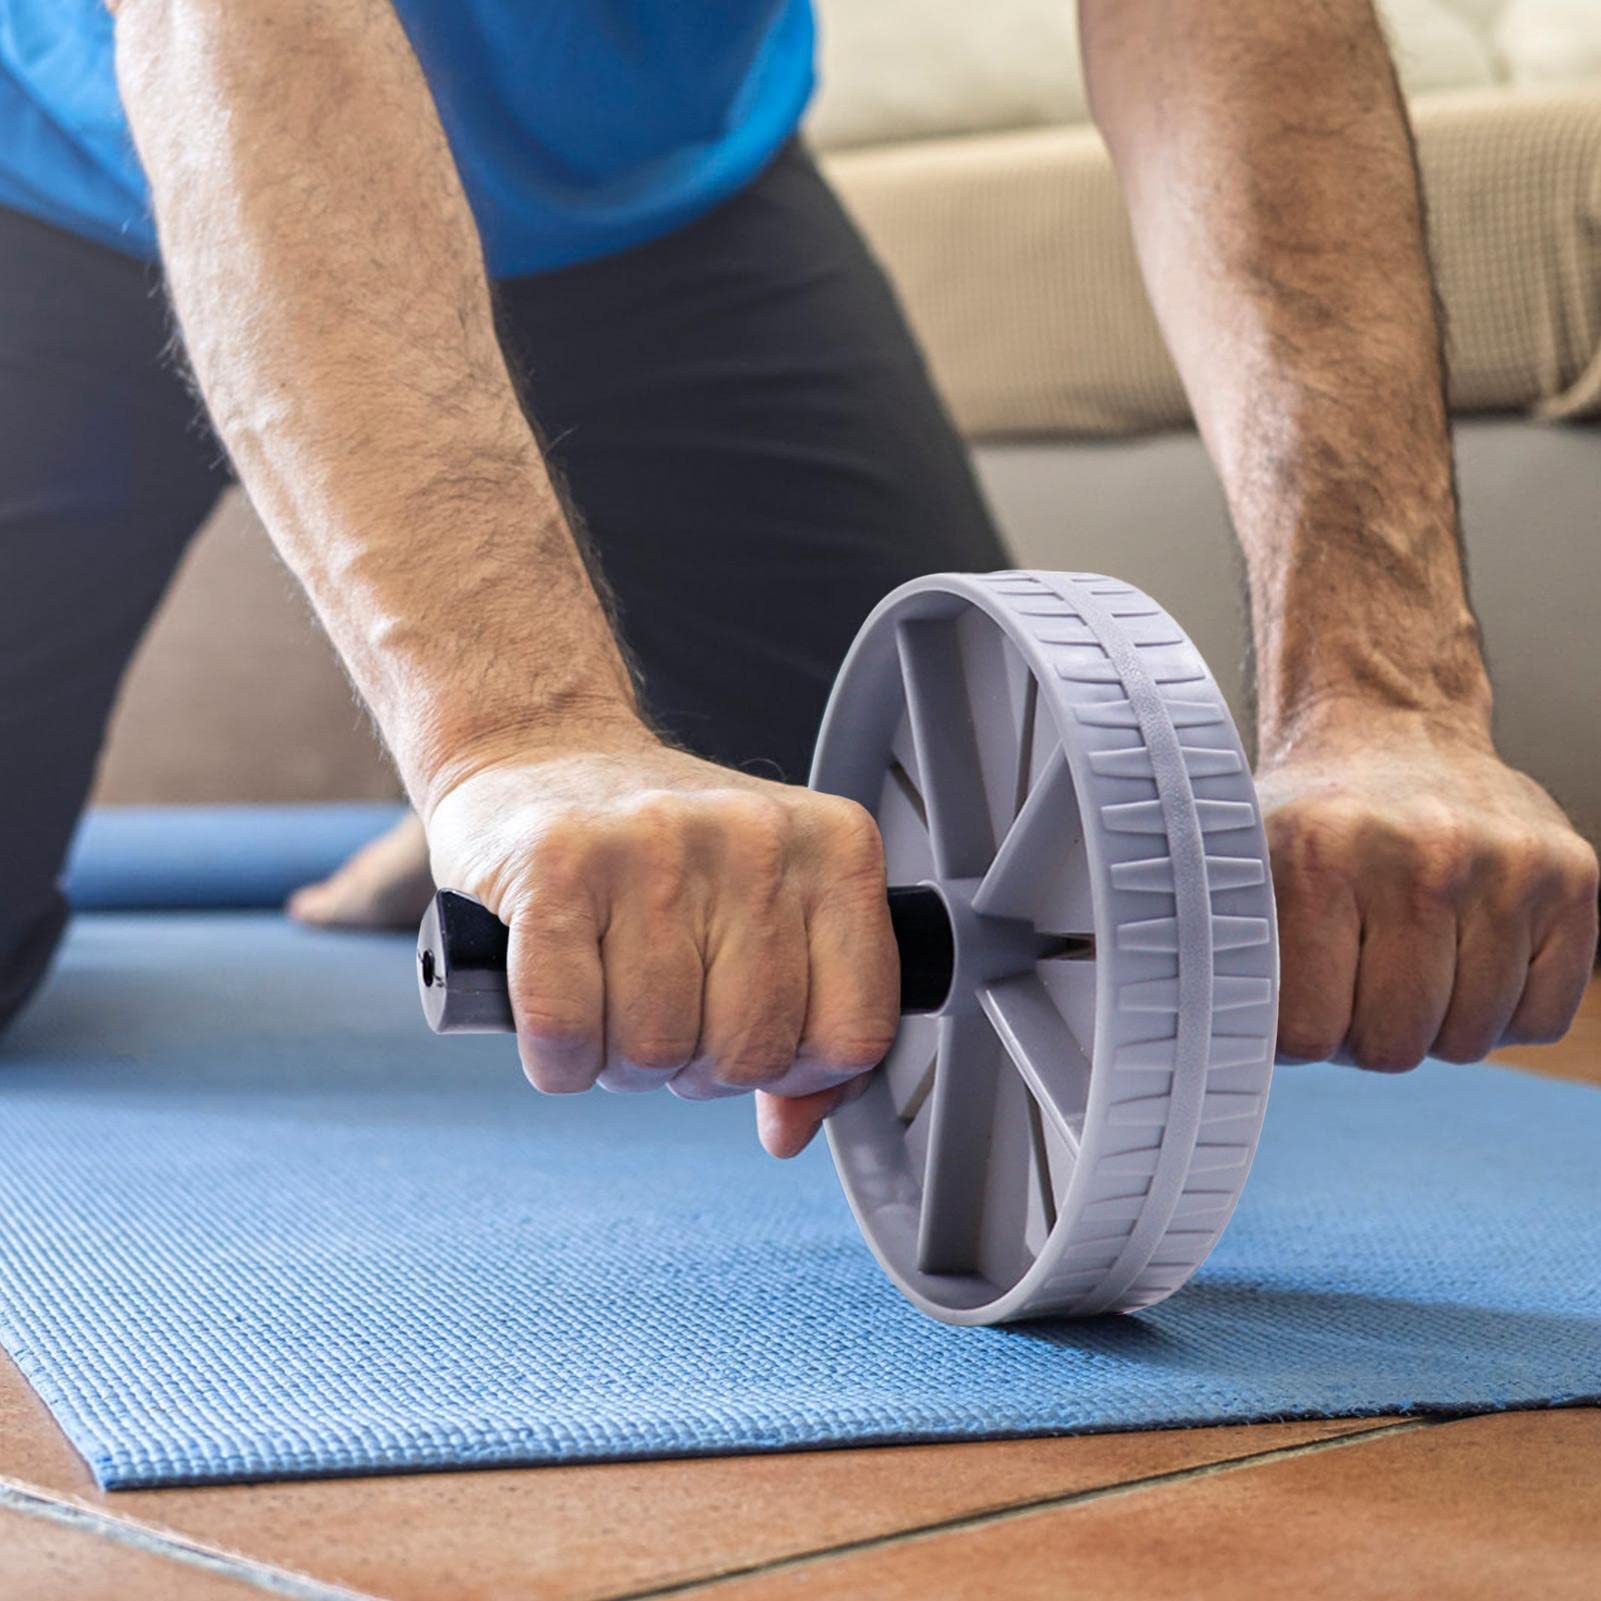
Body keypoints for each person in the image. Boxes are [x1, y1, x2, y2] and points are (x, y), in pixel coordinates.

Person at [1, 1, 1594, 1159]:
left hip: (651, 199)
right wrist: (513, 727)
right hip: (63, 162)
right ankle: (487, 786)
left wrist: (1386, 695)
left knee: (934, 874)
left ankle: (508, 797)